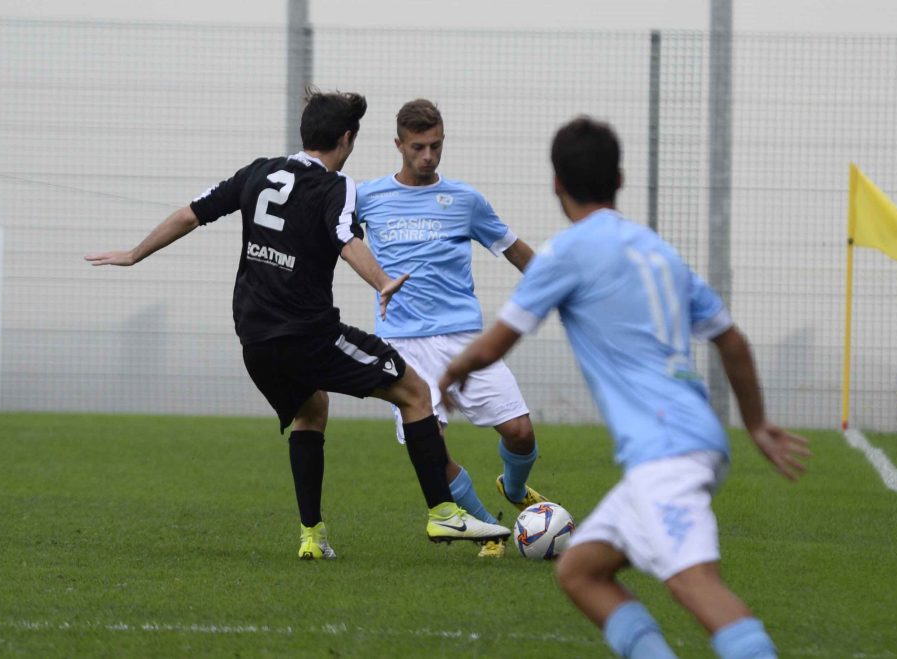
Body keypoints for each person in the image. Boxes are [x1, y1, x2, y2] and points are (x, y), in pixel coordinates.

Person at [84, 88, 510, 561]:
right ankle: (443, 512)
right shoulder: (335, 186)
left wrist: (134, 254)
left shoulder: (258, 171)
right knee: (414, 392)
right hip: (308, 336)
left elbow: (190, 214)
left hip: (254, 340)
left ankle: (312, 536)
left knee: (311, 410)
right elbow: (346, 239)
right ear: (345, 139)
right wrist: (382, 282)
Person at [440, 116, 810, 658]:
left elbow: (494, 343)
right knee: (580, 570)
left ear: (556, 184)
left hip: (667, 449)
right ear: (619, 178)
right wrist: (755, 423)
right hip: (688, 439)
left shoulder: (567, 252)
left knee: (694, 583)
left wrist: (450, 374)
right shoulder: (658, 252)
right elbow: (730, 340)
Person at [356, 99, 546, 558]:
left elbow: (513, 248)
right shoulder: (366, 197)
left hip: (464, 339)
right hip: (402, 344)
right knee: (433, 451)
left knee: (520, 432)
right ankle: (490, 531)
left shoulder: (465, 200)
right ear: (398, 144)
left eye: (436, 146)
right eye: (418, 147)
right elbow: (333, 235)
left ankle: (514, 489)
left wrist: (560, 286)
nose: (428, 156)